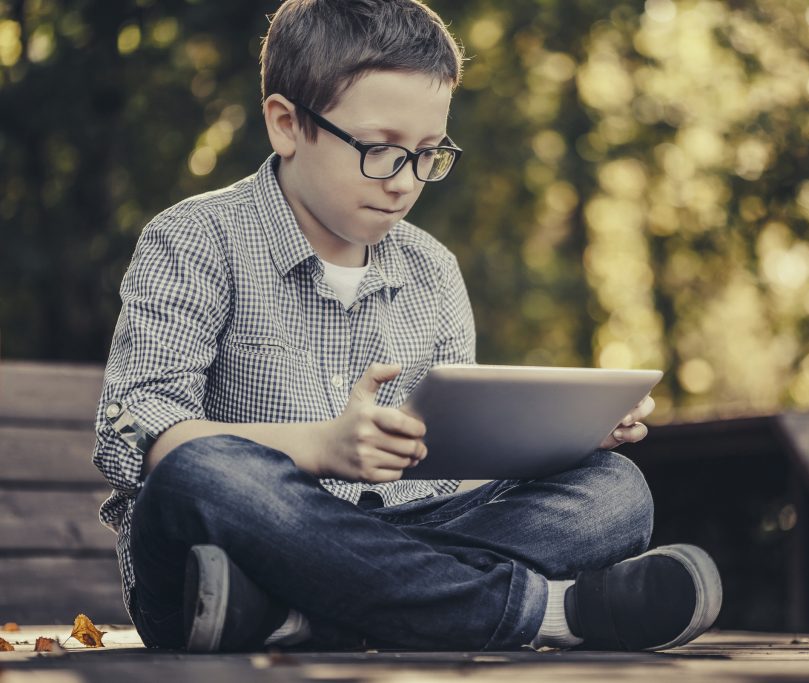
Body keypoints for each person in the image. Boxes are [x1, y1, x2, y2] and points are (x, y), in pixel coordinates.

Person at [91, 0, 722, 653]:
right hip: (219, 554)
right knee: (200, 470)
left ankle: (301, 613)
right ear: (286, 124)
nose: (405, 182)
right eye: (380, 150)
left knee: (615, 491)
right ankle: (549, 613)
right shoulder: (193, 239)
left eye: (428, 154)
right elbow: (135, 436)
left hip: (258, 588)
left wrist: (565, 438)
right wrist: (322, 447)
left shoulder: (433, 270)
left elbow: (454, 474)